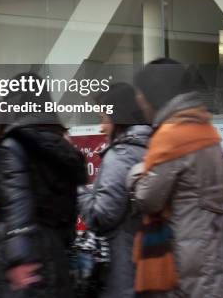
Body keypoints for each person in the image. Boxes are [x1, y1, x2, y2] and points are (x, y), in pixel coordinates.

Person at [130, 58, 223, 297]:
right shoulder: (202, 127)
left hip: (189, 253)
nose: (139, 102)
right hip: (214, 246)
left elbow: (148, 198)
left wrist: (136, 174)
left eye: (141, 95)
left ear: (154, 95)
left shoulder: (172, 135)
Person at [0, 76, 88, 298]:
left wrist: (18, 258)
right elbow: (69, 209)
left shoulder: (13, 145)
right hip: (56, 254)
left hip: (26, 257)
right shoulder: (61, 146)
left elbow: (18, 203)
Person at [77, 83, 152, 298]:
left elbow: (102, 216)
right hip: (149, 265)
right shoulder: (152, 147)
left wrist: (79, 189)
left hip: (123, 270)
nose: (101, 128)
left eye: (104, 119)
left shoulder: (120, 155)